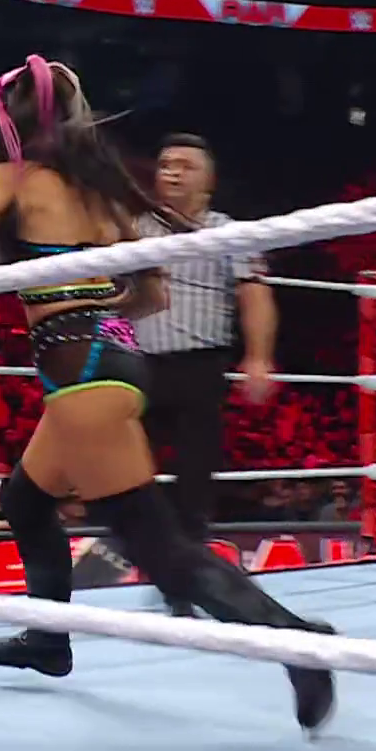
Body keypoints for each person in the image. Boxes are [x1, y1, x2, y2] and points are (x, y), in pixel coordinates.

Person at [0, 56, 336, 734]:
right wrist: (86, 306)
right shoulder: (102, 191)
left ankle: (296, 643)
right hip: (113, 357)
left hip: (80, 371)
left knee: (158, 546)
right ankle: (48, 638)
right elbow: (151, 294)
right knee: (24, 498)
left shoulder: (10, 175)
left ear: (12, 121)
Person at [136, 134, 278, 555]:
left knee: (195, 466)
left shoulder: (230, 232)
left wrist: (258, 357)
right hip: (136, 361)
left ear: (209, 180)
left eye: (185, 166)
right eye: (166, 165)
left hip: (199, 363)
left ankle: (191, 553)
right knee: (127, 461)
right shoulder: (132, 228)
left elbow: (254, 294)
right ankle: (136, 546)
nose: (173, 173)